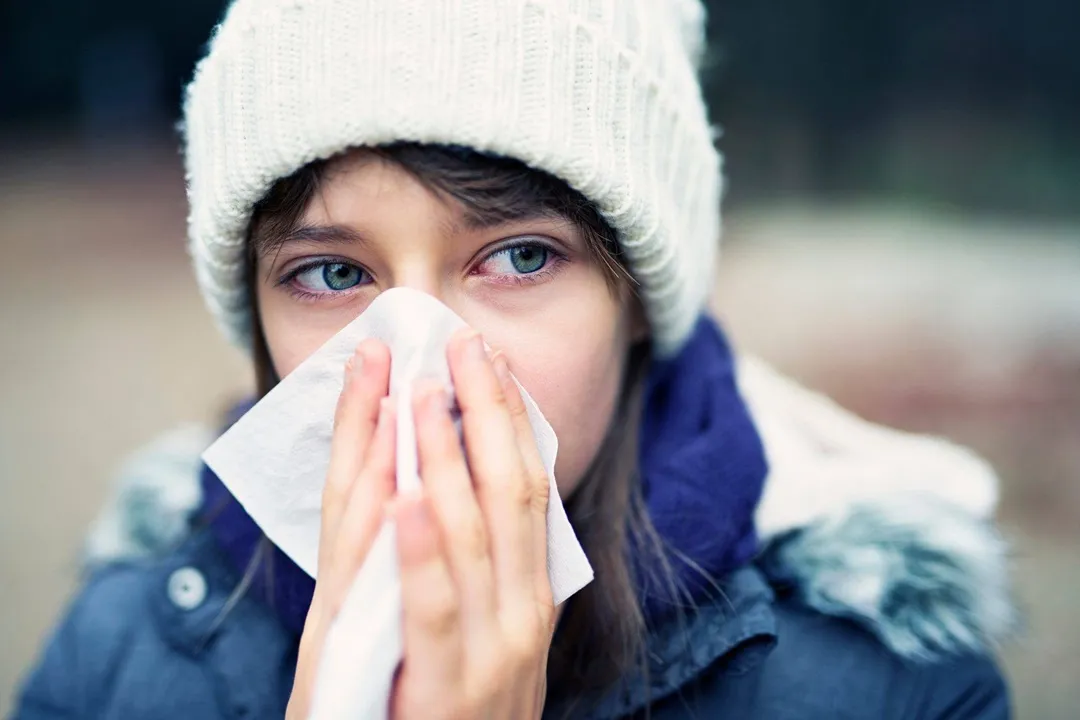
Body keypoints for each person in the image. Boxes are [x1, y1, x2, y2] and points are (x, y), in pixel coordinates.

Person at [12, 0, 1015, 718]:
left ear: (634, 300)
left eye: (518, 256)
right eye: (329, 275)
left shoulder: (896, 687)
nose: (421, 371)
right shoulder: (119, 651)